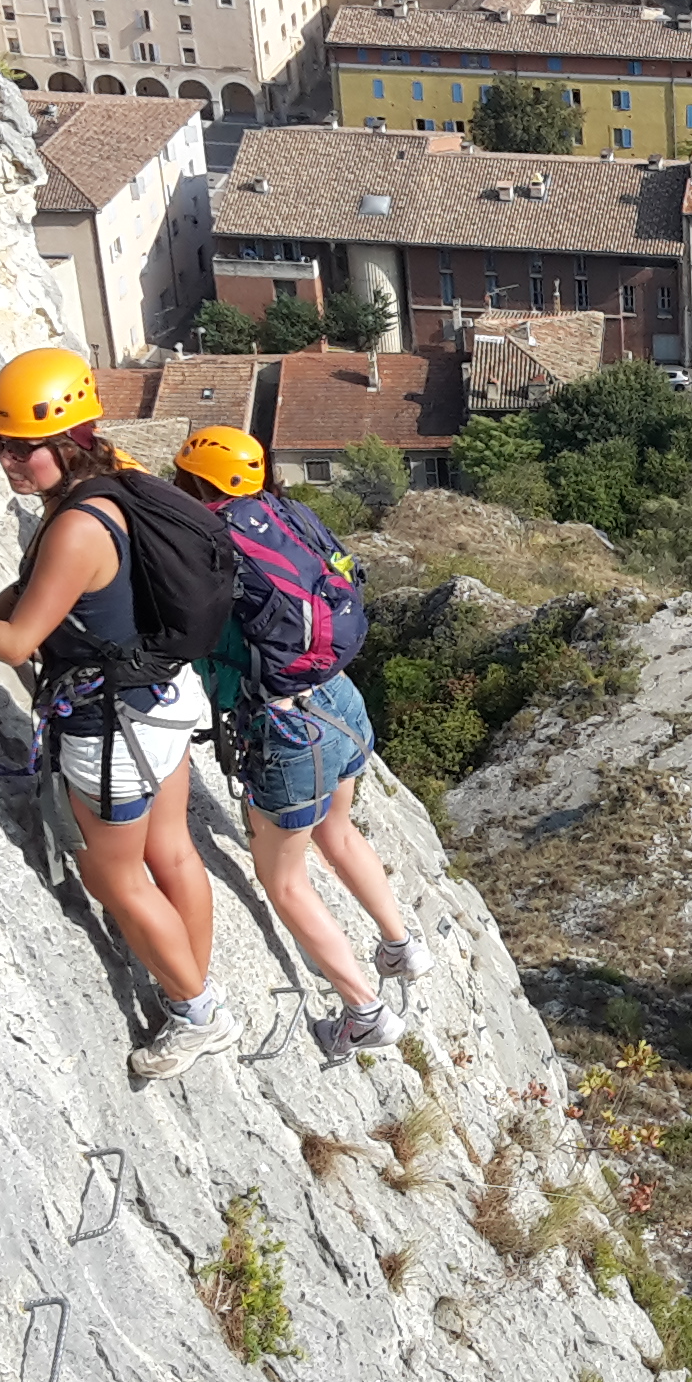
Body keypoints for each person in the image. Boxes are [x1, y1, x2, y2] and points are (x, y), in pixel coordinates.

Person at [0, 349, 237, 1079]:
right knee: (170, 856)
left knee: (115, 880)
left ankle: (199, 1010)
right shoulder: (109, 485)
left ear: (68, 440)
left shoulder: (75, 525)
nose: (7, 461)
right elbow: (36, 587)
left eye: (21, 448)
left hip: (108, 729)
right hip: (158, 703)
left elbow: (17, 642)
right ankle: (187, 985)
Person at [169, 425, 433, 1064]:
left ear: (197, 484)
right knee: (337, 831)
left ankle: (363, 1012)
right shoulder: (287, 513)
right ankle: (401, 945)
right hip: (340, 697)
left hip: (286, 731)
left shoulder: (209, 547)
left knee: (282, 878)